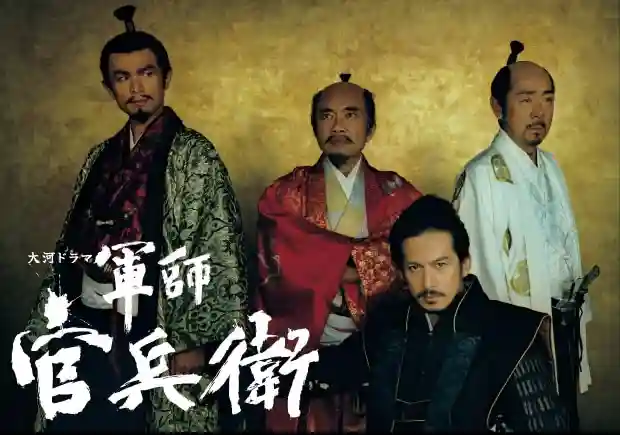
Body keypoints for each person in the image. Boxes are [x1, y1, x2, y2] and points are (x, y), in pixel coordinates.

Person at [22, 5, 249, 432]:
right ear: (109, 86)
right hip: (89, 316)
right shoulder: (99, 157)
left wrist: (197, 342)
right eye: (122, 77)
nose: (136, 87)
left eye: (146, 73)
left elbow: (218, 249)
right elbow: (70, 240)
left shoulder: (194, 155)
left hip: (158, 320)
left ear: (166, 77)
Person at [312, 194, 570, 432]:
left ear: (465, 263)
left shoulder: (515, 333)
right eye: (415, 268)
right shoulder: (387, 325)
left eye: (440, 265)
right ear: (401, 272)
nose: (428, 283)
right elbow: (329, 369)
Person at [255, 73, 422, 432]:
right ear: (314, 126)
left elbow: (419, 259)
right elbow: (278, 264)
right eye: (327, 115)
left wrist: (326, 262)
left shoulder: (399, 194)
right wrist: (366, 260)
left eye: (351, 114)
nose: (338, 125)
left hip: (379, 351)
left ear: (370, 127)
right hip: (309, 351)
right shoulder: (284, 195)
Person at [452, 40, 592, 427]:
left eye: (548, 99)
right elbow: (473, 277)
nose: (539, 112)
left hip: (561, 323)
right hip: (516, 336)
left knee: (562, 416)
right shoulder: (480, 177)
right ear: (498, 107)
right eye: (526, 99)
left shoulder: (550, 166)